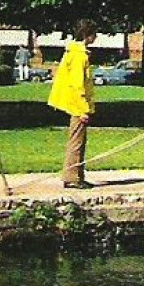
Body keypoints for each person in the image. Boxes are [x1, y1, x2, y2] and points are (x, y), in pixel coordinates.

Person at [48, 21, 97, 188]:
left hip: (78, 105)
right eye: (93, 34)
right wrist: (83, 109)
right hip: (77, 106)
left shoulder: (78, 53)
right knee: (76, 141)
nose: (95, 37)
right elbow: (77, 85)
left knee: (80, 141)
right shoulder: (78, 56)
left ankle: (78, 175)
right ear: (86, 35)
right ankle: (71, 177)